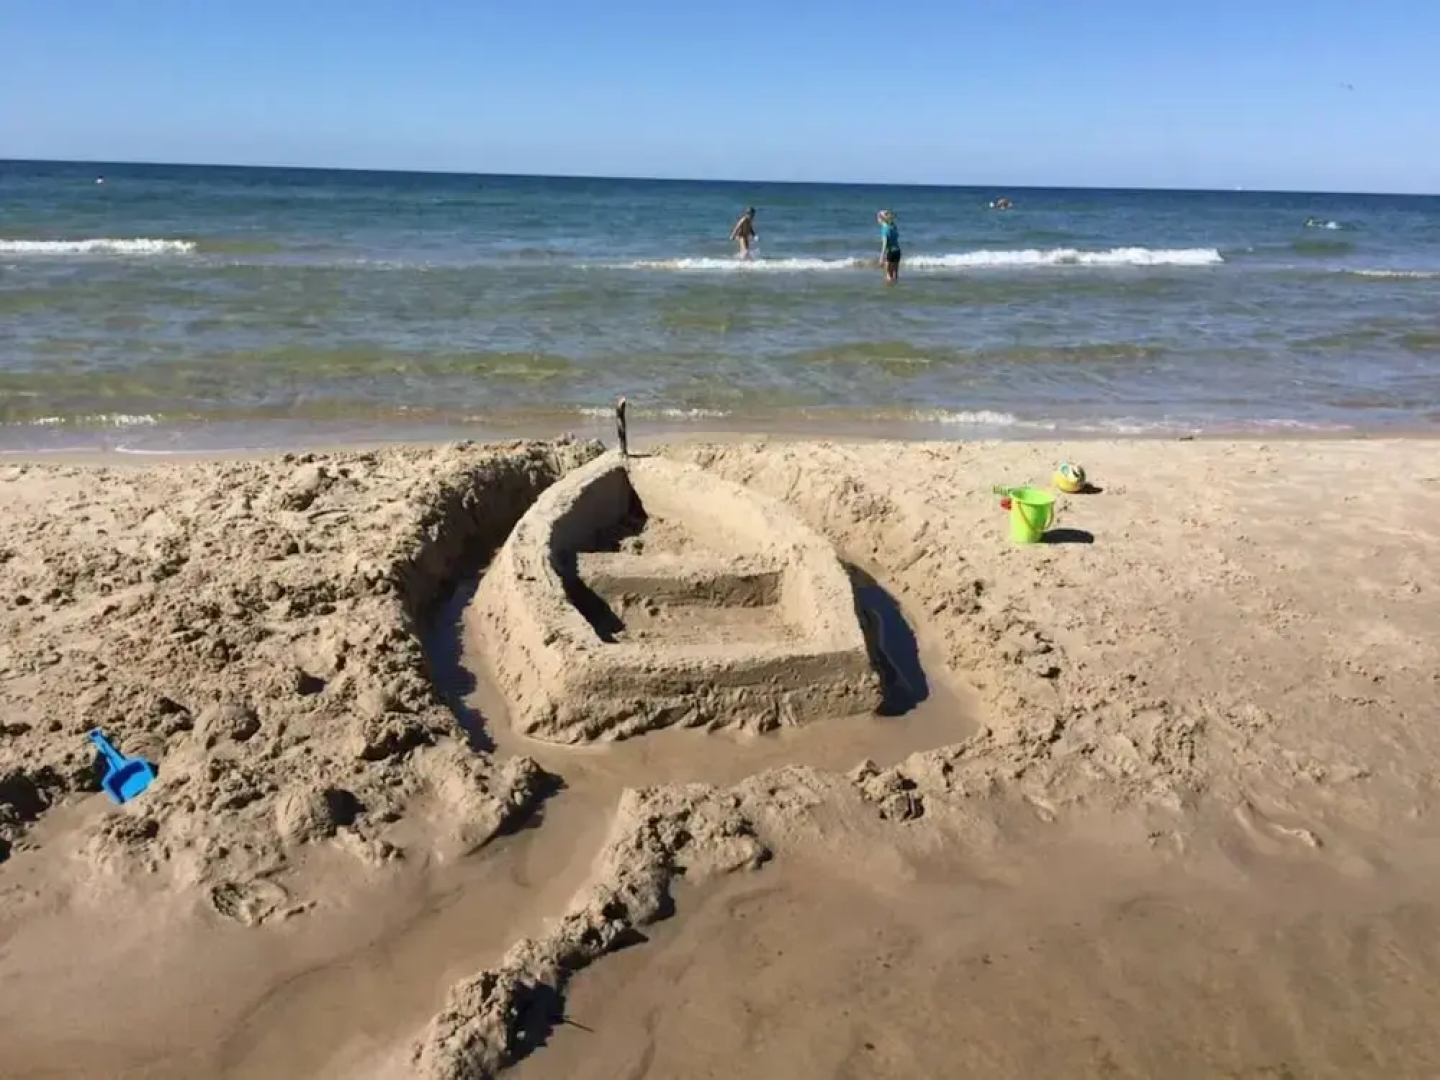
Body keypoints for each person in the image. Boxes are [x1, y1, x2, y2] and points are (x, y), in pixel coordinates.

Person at [877, 209, 901, 284]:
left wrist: (881, 257)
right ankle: (896, 288)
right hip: (897, 251)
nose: (877, 220)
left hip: (890, 252)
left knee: (888, 275)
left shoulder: (884, 229)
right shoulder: (893, 227)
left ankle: (890, 292)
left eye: (878, 218)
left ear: (881, 219)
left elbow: (885, 243)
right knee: (895, 274)